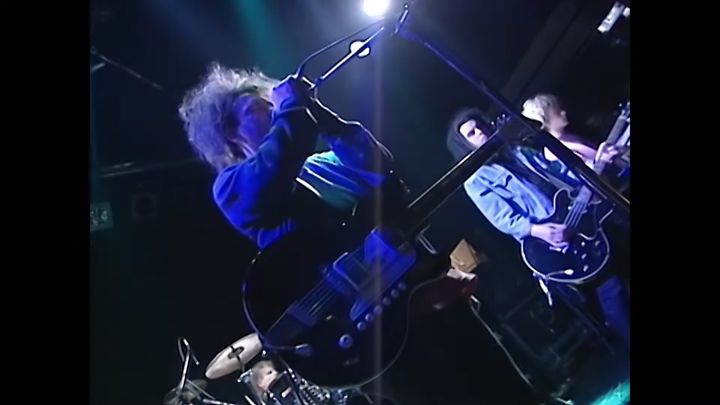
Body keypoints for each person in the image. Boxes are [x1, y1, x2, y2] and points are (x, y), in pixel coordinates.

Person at [446, 106, 630, 349]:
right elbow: (502, 217)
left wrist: (595, 165)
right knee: (610, 288)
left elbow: (557, 172)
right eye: (471, 133)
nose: (480, 131)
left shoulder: (517, 151)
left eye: (480, 125)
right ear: (464, 144)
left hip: (581, 217)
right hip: (550, 239)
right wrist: (537, 230)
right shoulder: (475, 180)